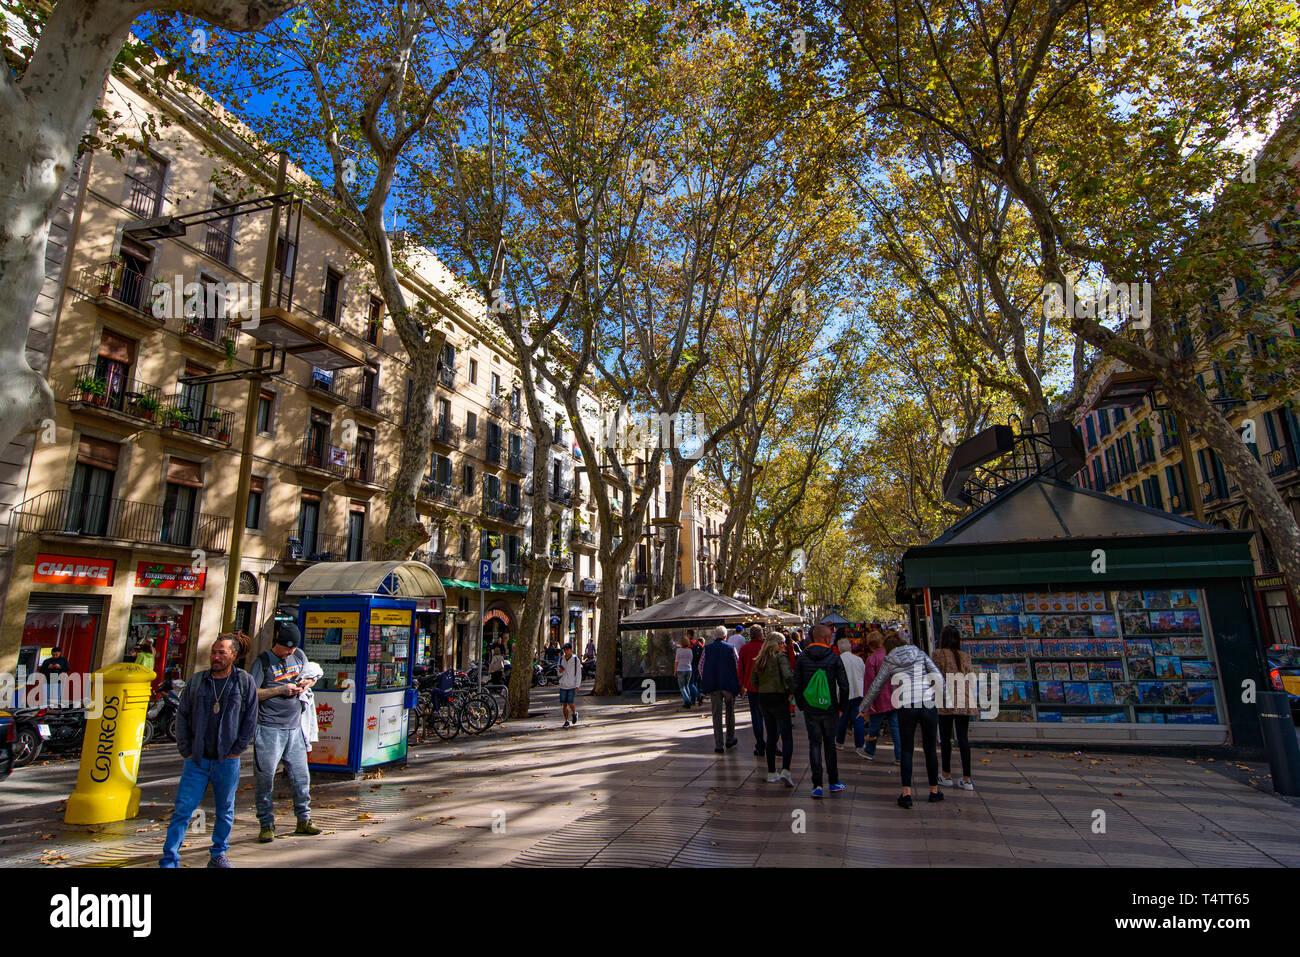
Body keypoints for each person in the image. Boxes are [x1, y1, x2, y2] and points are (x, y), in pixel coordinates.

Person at [159, 634, 258, 868]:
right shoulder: (198, 681)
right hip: (197, 760)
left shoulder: (244, 682)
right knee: (183, 809)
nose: (215, 657)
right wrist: (187, 749)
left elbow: (250, 718)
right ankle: (169, 859)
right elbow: (182, 715)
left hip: (227, 760)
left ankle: (218, 854)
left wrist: (238, 749)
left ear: (234, 655)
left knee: (225, 809)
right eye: (214, 652)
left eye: (221, 652)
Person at [250, 622, 321, 843]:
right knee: (265, 778)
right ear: (276, 643)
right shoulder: (262, 662)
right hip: (269, 728)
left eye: (292, 648)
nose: (289, 652)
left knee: (301, 777)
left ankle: (304, 819)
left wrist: (308, 682)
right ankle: (266, 823)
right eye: (285, 648)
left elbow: (313, 673)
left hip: (295, 727)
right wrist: (281, 689)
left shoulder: (299, 656)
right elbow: (252, 693)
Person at [861, 633, 944, 809]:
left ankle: (906, 794)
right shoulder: (920, 653)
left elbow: (876, 685)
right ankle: (934, 791)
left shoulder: (890, 659)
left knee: (907, 750)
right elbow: (938, 676)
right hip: (928, 703)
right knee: (930, 749)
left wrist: (864, 707)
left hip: (906, 705)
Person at [793, 623, 850, 798]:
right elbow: (844, 686)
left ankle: (817, 785)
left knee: (814, 744)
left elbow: (796, 685)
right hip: (830, 707)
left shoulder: (802, 658)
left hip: (811, 708)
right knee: (829, 745)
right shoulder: (834, 658)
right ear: (827, 638)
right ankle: (833, 782)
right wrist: (842, 707)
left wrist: (802, 705)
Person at [934, 625, 977, 790]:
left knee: (946, 739)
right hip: (964, 700)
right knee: (963, 739)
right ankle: (967, 780)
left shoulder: (938, 655)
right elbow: (971, 679)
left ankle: (946, 775)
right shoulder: (965, 656)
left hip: (946, 700)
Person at [751, 630, 795, 787]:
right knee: (786, 735)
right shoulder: (780, 658)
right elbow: (788, 676)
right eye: (782, 643)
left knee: (770, 735)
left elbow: (753, 680)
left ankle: (771, 772)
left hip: (764, 698)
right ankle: (786, 770)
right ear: (777, 644)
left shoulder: (760, 659)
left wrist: (762, 688)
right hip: (779, 697)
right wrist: (792, 691)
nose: (784, 646)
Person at [859, 632, 901, 762]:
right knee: (895, 726)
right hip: (894, 696)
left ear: (870, 645)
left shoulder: (872, 660)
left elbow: (870, 682)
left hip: (879, 699)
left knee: (874, 726)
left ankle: (870, 750)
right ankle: (899, 755)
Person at [700, 625, 739, 753]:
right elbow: (737, 665)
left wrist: (707, 679)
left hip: (714, 685)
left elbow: (701, 666)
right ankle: (730, 738)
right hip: (728, 684)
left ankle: (718, 744)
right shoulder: (731, 648)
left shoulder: (707, 649)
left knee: (716, 714)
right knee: (730, 712)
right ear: (725, 636)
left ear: (714, 636)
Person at [736, 624, 767, 756]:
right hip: (768, 687)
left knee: (756, 716)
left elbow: (740, 669)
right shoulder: (766, 648)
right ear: (761, 634)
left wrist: (742, 685)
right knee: (770, 716)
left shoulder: (745, 648)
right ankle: (772, 744)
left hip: (752, 687)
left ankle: (760, 744)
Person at [834, 637, 866, 752]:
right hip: (858, 692)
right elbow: (864, 674)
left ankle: (840, 741)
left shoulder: (837, 660)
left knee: (842, 718)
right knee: (858, 719)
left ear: (839, 649)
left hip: (843, 694)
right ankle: (859, 744)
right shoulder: (858, 660)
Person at [556, 642, 582, 726]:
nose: (565, 651)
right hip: (563, 684)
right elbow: (558, 672)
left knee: (570, 703)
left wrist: (577, 685)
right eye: (564, 650)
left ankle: (574, 713)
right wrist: (560, 672)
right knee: (564, 704)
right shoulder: (561, 659)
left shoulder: (575, 660)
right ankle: (566, 721)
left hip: (572, 684)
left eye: (567, 650)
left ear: (571, 650)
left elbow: (578, 673)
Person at [674, 636, 695, 708]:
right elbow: (691, 660)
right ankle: (687, 702)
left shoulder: (679, 650)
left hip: (680, 669)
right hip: (689, 669)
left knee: (682, 687)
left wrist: (675, 670)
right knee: (687, 686)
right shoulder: (690, 650)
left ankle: (687, 700)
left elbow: (676, 661)